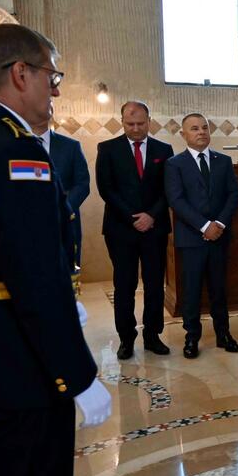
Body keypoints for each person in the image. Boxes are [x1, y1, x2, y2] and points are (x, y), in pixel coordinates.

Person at [0, 23, 111, 476]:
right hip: (12, 369)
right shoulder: (15, 151)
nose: (56, 91)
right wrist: (77, 375)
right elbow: (33, 279)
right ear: (19, 74)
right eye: (52, 77)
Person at [96, 101, 174, 359]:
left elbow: (168, 189)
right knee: (124, 285)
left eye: (141, 123)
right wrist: (134, 218)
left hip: (155, 228)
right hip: (121, 230)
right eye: (131, 124)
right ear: (122, 122)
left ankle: (153, 336)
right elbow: (106, 189)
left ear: (149, 121)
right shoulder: (107, 149)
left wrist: (151, 215)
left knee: (154, 285)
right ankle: (126, 338)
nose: (136, 128)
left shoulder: (164, 149)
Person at [165, 112, 238, 359]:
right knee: (192, 290)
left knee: (220, 288)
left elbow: (233, 195)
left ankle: (224, 334)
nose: (201, 133)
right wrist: (204, 225)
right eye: (195, 129)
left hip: (219, 237)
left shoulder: (223, 161)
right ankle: (192, 337)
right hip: (191, 239)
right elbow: (176, 200)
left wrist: (217, 223)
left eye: (205, 128)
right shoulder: (175, 164)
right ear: (184, 134)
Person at [30, 106, 90, 265]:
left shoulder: (71, 146)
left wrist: (62, 208)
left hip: (65, 225)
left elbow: (83, 184)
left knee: (65, 277)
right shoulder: (13, 145)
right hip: (27, 225)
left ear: (51, 113)